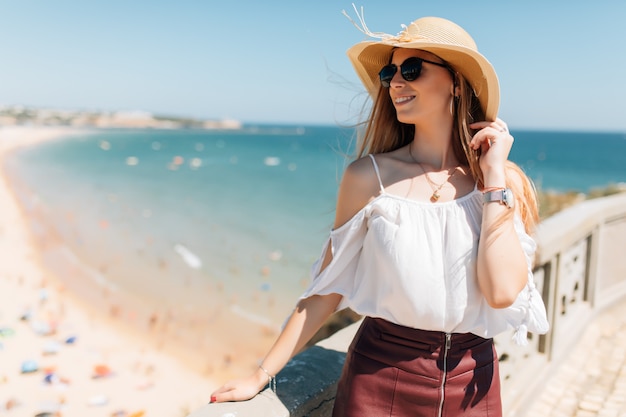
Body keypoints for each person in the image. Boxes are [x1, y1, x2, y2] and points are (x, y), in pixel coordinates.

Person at [210, 9, 549, 416]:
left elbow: (502, 292)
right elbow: (325, 288)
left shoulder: (498, 183)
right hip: (381, 381)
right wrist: (260, 375)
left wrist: (493, 178)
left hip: (474, 385)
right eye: (389, 75)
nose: (396, 83)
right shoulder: (367, 178)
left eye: (412, 68)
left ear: (456, 83)